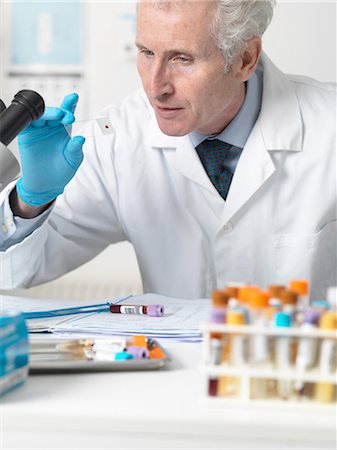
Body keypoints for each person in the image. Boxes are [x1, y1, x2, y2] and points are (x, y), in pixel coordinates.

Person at [0, 0, 336, 300]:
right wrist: (30, 201)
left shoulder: (328, 129)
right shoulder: (117, 140)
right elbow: (18, 271)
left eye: (182, 59)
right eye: (147, 53)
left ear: (244, 59)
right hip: (177, 370)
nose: (154, 86)